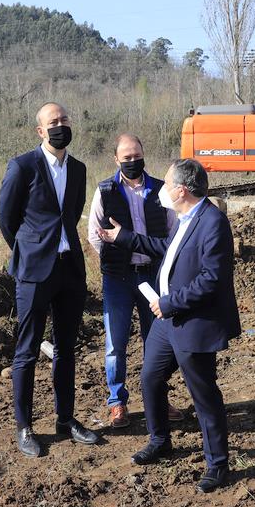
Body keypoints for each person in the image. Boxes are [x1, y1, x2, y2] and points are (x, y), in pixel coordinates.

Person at [97, 158, 240, 493]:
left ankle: (218, 465)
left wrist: (168, 303)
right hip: (167, 321)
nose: (160, 189)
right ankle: (161, 440)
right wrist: (125, 238)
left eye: (166, 183)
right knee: (150, 377)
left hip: (192, 322)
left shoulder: (213, 223)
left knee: (204, 395)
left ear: (180, 190)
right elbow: (168, 250)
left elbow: (211, 279)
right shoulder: (184, 217)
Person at [0, 102, 100, 457]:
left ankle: (65, 419)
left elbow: (70, 215)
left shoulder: (80, 169)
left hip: (69, 269)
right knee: (26, 351)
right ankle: (24, 427)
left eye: (64, 120)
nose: (60, 126)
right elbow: (6, 218)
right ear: (40, 131)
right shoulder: (22, 166)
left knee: (66, 349)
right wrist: (28, 250)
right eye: (53, 122)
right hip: (34, 272)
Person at [87, 134, 183, 428]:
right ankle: (117, 402)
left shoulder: (160, 189)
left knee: (156, 342)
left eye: (136, 155)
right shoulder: (105, 190)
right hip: (118, 278)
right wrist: (116, 258)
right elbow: (94, 235)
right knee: (115, 343)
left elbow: (173, 231)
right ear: (116, 159)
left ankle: (158, 398)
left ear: (144, 154)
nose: (132, 161)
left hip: (153, 276)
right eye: (126, 157)